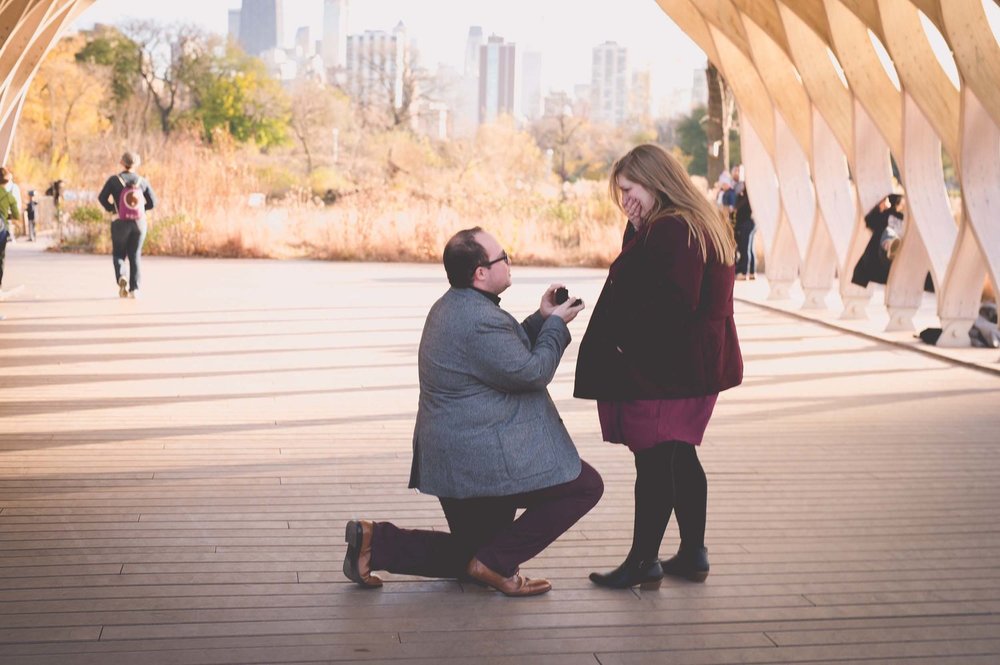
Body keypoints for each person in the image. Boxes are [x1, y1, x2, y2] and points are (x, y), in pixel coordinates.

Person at [343, 228, 602, 597]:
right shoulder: (479, 319)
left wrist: (542, 318)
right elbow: (531, 372)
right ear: (481, 272)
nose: (509, 262)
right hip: (482, 461)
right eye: (503, 257)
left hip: (456, 456)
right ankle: (495, 564)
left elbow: (501, 353)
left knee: (475, 556)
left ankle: (375, 543)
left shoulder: (455, 305)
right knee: (585, 487)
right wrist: (557, 326)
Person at [574, 144, 743, 589]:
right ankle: (692, 553)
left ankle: (642, 562)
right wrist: (636, 229)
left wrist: (624, 345)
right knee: (679, 454)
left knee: (653, 463)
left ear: (655, 182)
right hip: (697, 365)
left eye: (629, 189)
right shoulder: (698, 221)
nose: (624, 199)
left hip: (669, 370)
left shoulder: (671, 230)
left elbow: (667, 302)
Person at [98, 151, 157, 298]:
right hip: (139, 223)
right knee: (135, 255)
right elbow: (153, 202)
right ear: (137, 164)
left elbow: (102, 198)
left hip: (119, 221)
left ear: (122, 162)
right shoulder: (142, 181)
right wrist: (141, 210)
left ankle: (121, 276)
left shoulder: (114, 180)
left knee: (118, 254)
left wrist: (112, 209)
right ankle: (134, 289)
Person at [851, 194, 904, 288]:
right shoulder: (889, 215)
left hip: (897, 254)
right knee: (888, 235)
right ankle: (891, 246)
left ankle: (893, 247)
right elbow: (870, 221)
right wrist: (879, 207)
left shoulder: (903, 219)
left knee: (893, 237)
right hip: (884, 254)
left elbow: (870, 221)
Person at [0, 167, 22, 294]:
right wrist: (7, 215)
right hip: (1, 231)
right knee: (1, 257)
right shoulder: (9, 196)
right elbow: (16, 215)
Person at [733, 187, 756, 280]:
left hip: (746, 223)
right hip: (751, 223)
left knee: (745, 247)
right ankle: (751, 272)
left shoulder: (746, 196)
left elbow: (738, 207)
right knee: (749, 248)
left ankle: (744, 272)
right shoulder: (750, 196)